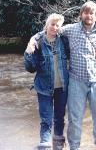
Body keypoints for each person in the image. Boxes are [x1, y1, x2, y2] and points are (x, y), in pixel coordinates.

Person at [29, 1, 96, 150]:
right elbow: (51, 30)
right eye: (86, 12)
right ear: (81, 14)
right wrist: (33, 39)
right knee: (74, 119)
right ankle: (74, 147)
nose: (89, 16)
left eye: (92, 13)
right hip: (76, 81)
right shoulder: (71, 30)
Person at [24, 13, 69, 150]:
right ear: (47, 25)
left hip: (62, 87)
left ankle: (58, 145)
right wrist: (28, 52)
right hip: (44, 88)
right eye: (52, 24)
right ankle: (45, 146)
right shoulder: (38, 42)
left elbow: (72, 55)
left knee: (60, 118)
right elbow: (30, 68)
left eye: (57, 25)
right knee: (46, 120)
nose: (55, 28)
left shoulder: (63, 40)